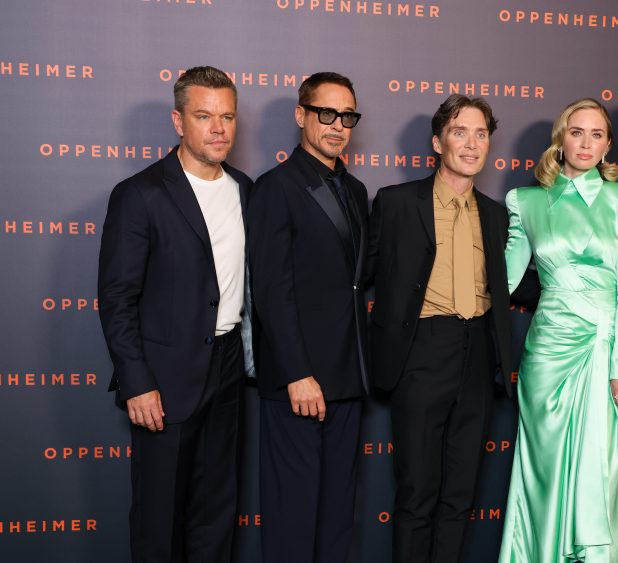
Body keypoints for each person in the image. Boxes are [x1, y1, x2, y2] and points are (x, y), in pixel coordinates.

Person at [98, 65, 253, 562]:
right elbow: (118, 298)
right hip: (163, 379)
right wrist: (136, 380)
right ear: (178, 121)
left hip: (228, 367)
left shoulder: (246, 190)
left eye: (227, 117)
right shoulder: (140, 194)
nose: (218, 129)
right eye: (204, 116)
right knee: (159, 520)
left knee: (216, 512)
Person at [367, 94, 515, 563]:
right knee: (416, 494)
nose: (471, 144)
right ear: (437, 142)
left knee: (460, 497)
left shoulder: (495, 214)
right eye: (459, 132)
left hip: (477, 357)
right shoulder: (395, 203)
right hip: (421, 354)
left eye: (480, 134)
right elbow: (358, 279)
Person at [499, 98, 618, 563]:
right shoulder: (526, 201)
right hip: (546, 353)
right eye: (577, 132)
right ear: (560, 139)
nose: (586, 143)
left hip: (603, 349)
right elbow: (502, 278)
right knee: (540, 469)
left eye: (597, 134)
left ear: (607, 146)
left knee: (597, 469)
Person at [247, 72, 368, 563]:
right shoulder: (275, 187)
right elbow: (271, 291)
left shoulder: (356, 190)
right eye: (326, 114)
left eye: (347, 116)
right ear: (301, 115)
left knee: (338, 517)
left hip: (347, 377)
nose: (337, 125)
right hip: (300, 380)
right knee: (293, 517)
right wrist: (298, 373)